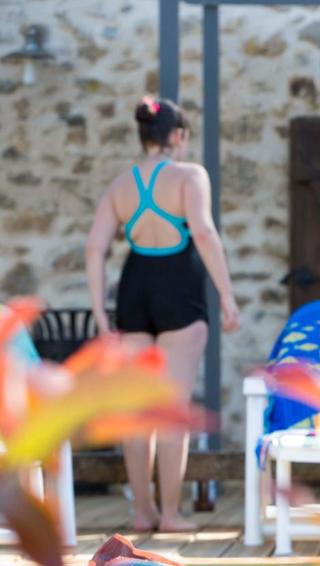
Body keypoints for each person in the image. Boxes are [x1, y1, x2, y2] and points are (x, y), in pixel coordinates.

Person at [85, 96, 240, 532]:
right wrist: (227, 296)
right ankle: (170, 514)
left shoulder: (121, 185)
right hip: (179, 293)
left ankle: (142, 512)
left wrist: (100, 313)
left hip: (135, 292)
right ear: (178, 136)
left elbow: (95, 248)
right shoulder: (190, 175)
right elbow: (205, 234)